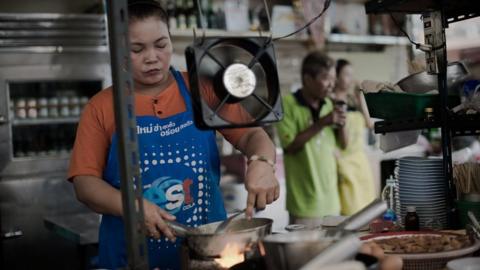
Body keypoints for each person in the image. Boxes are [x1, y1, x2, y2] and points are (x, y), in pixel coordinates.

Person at [67, 1, 279, 269]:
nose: (152, 57)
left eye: (161, 44)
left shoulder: (201, 89)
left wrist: (262, 161)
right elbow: (85, 183)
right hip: (130, 256)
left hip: (209, 253)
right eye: (137, 49)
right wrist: (132, 208)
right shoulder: (102, 107)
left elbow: (252, 137)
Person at [276, 51, 347, 228]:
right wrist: (322, 122)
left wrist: (342, 123)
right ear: (307, 79)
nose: (331, 84)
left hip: (332, 204)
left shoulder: (330, 104)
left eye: (333, 78)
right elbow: (290, 147)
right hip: (303, 207)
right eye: (326, 78)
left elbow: (344, 144)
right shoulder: (287, 105)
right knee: (306, 255)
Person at [333, 59, 376, 215]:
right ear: (335, 77)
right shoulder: (333, 101)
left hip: (360, 163)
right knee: (351, 213)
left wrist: (360, 97)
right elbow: (341, 142)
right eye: (346, 74)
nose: (350, 78)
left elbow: (369, 124)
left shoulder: (352, 100)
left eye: (352, 74)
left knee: (367, 213)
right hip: (345, 163)